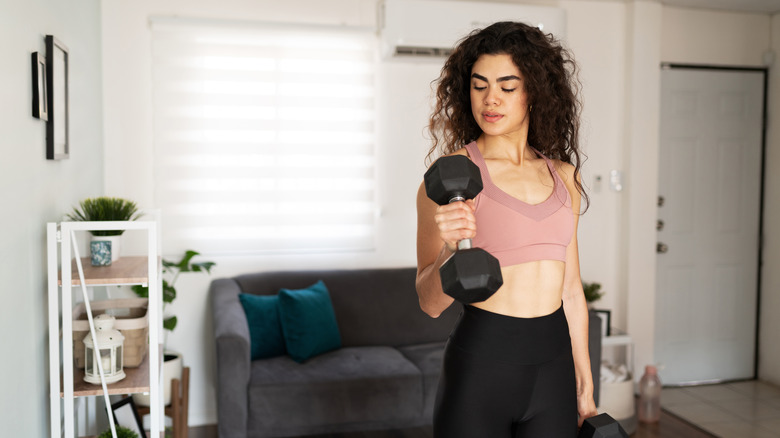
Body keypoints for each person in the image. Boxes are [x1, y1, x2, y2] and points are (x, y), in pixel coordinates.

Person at [415, 21, 597, 437]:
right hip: (481, 368)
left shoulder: (564, 177)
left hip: (553, 371)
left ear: (534, 90)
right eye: (479, 86)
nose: (490, 99)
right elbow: (429, 303)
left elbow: (570, 289)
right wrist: (449, 252)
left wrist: (584, 383)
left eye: (507, 86)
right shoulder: (451, 178)